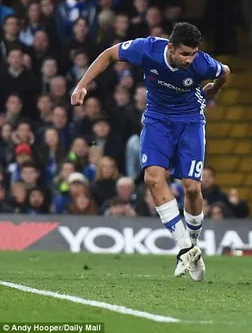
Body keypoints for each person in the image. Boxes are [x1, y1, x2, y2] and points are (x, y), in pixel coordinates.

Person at [69, 22, 230, 282]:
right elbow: (109, 54)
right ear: (171, 47)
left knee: (191, 188)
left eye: (193, 53)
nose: (190, 59)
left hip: (190, 122)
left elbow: (225, 71)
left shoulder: (203, 63)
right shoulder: (147, 49)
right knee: (152, 179)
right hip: (157, 119)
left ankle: (193, 243)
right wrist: (82, 85)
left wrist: (215, 89)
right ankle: (185, 249)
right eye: (185, 54)